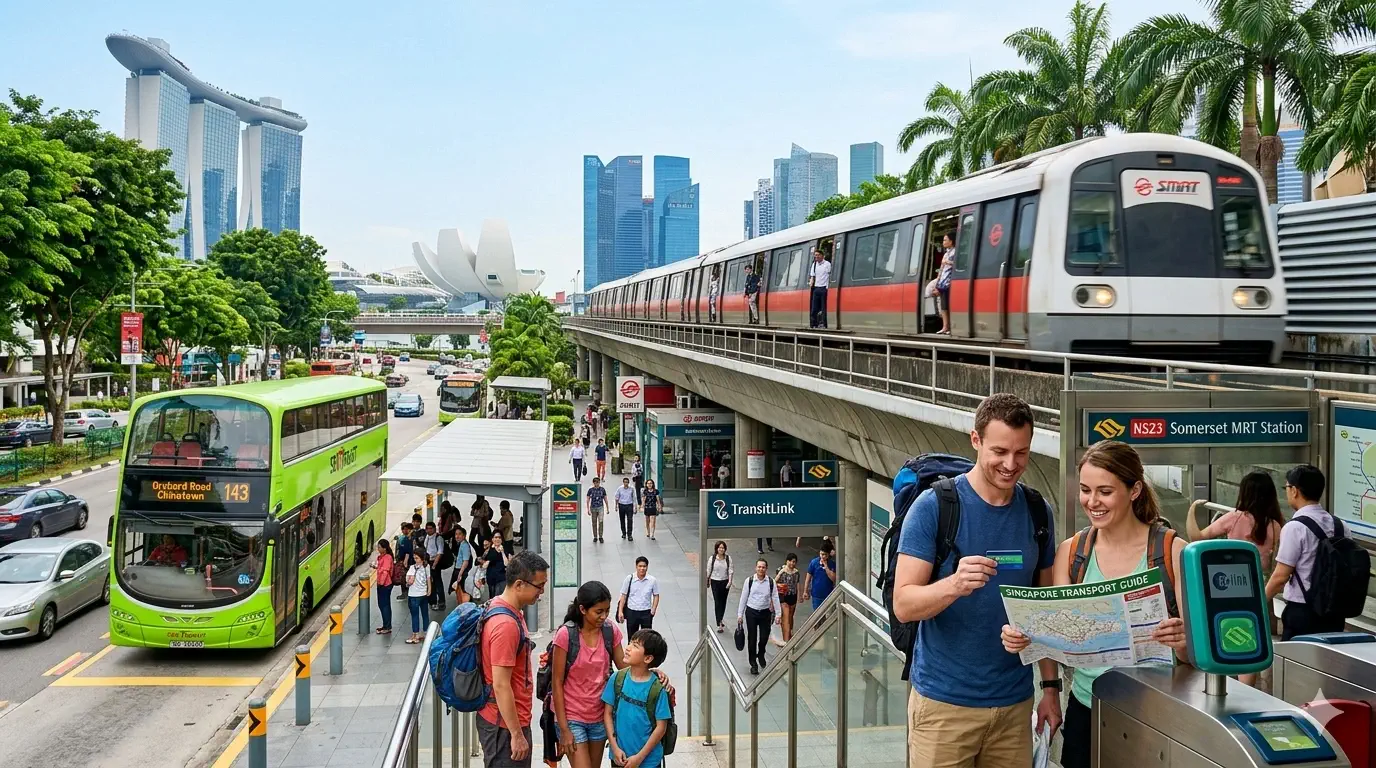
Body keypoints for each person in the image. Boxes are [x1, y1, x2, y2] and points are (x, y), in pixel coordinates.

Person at [892, 393, 1058, 767]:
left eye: (1021, 453)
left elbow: (1045, 606)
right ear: (976, 440)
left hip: (1015, 707)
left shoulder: (1037, 511)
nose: (1011, 464)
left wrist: (1051, 688)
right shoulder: (935, 507)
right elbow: (903, 605)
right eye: (999, 451)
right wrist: (954, 583)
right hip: (944, 708)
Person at [1000, 440, 1187, 768]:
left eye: (1105, 491)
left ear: (1134, 490)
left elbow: (1198, 655)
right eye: (1086, 490)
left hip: (1157, 714)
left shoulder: (1173, 552)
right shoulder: (1072, 553)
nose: (1092, 502)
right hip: (1087, 708)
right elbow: (1059, 636)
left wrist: (1183, 642)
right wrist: (1027, 637)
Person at [479, 551, 550, 767]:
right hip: (504, 726)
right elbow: (501, 685)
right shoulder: (506, 625)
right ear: (519, 584)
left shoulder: (500, 607)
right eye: (539, 585)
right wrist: (517, 735)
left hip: (502, 720)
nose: (542, 592)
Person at [1266, 464, 1346, 639]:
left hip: (1303, 611)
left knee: (1295, 662)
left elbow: (1281, 577)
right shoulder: (1341, 526)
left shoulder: (1295, 528)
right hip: (1335, 612)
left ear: (1294, 490)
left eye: (1286, 487)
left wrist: (1259, 602)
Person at [551, 582, 623, 768]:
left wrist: (652, 672)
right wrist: (564, 729)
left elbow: (625, 670)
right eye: (598, 611)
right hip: (572, 717)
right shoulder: (566, 635)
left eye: (607, 610)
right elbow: (557, 683)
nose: (604, 616)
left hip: (600, 717)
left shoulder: (610, 631)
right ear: (582, 609)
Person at [602, 629, 672, 768]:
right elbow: (608, 714)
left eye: (635, 646)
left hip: (649, 761)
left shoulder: (657, 689)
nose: (628, 648)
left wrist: (639, 758)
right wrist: (615, 748)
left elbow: (661, 728)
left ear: (648, 658)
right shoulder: (617, 679)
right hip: (619, 757)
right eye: (630, 643)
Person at [737, 558, 782, 675]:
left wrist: (778, 614)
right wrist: (740, 614)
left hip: (765, 612)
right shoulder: (750, 581)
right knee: (752, 639)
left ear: (766, 569)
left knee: (763, 638)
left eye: (763, 567)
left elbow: (775, 597)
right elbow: (743, 597)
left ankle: (761, 653)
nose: (761, 569)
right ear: (756, 568)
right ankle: (753, 663)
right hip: (751, 612)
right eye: (759, 567)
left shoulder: (771, 582)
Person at [617, 556, 660, 637]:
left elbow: (656, 595)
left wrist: (653, 609)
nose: (642, 568)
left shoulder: (652, 580)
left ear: (647, 567)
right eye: (640, 566)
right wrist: (620, 611)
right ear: (636, 567)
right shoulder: (629, 578)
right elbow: (623, 595)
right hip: (632, 612)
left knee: (647, 637)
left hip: (646, 612)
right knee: (632, 636)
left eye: (644, 566)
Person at [706, 541, 734, 633]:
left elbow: (730, 570)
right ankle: (719, 623)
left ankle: (720, 618)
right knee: (717, 602)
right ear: (716, 549)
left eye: (723, 548)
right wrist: (707, 580)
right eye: (719, 548)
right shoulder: (712, 558)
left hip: (725, 582)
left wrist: (730, 581)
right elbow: (708, 570)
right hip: (715, 582)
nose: (721, 549)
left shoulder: (728, 558)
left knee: (723, 602)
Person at [405, 550, 432, 644]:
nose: (415, 559)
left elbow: (407, 581)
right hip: (423, 594)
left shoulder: (412, 568)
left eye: (416, 558)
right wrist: (429, 590)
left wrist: (409, 581)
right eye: (414, 557)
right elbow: (428, 579)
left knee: (415, 615)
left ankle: (415, 635)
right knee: (425, 614)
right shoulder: (427, 566)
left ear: (421, 558)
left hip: (414, 595)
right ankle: (426, 633)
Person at [801, 541, 835, 611]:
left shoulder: (832, 564)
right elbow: (808, 578)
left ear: (828, 555)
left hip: (828, 594)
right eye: (821, 554)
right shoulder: (814, 562)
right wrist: (805, 590)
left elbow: (833, 579)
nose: (822, 556)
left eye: (824, 554)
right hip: (816, 594)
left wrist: (826, 567)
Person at [776, 554, 802, 642]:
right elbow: (774, 582)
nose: (792, 563)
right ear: (787, 561)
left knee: (791, 615)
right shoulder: (781, 571)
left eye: (794, 561)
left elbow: (797, 584)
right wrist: (780, 573)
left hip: (793, 596)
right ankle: (786, 638)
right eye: (790, 561)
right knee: (785, 616)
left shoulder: (796, 572)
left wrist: (799, 596)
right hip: (784, 596)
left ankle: (790, 631)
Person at [371, 539, 395, 635]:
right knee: (383, 605)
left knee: (384, 605)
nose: (378, 549)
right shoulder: (383, 557)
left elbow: (385, 571)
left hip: (385, 584)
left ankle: (387, 626)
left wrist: (380, 583)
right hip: (383, 584)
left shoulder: (387, 558)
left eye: (379, 547)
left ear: (384, 548)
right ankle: (385, 625)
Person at [934, 234, 956, 334]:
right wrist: (937, 281)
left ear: (951, 242)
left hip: (950, 282)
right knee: (943, 306)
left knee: (949, 305)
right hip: (943, 282)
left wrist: (948, 262)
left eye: (945, 240)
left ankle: (951, 327)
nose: (943, 242)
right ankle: (945, 327)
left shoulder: (955, 252)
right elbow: (941, 269)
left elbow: (957, 264)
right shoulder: (945, 254)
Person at [449, 525, 475, 604]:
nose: (457, 536)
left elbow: (465, 561)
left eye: (459, 534)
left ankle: (464, 608)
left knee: (463, 592)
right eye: (456, 534)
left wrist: (460, 574)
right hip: (459, 570)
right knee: (459, 591)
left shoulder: (464, 546)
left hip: (461, 571)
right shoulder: (461, 544)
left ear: (464, 535)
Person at [808, 248, 831, 329]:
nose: (816, 257)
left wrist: (828, 287)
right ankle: (814, 324)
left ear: (822, 256)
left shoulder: (827, 264)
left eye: (818, 255)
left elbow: (829, 275)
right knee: (814, 308)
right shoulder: (814, 264)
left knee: (824, 308)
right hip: (816, 288)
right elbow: (812, 276)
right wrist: (811, 283)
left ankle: (824, 324)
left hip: (824, 288)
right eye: (815, 256)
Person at [486, 531, 511, 599]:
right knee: (492, 597)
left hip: (501, 578)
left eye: (499, 537)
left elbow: (506, 564)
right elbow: (485, 562)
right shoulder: (489, 550)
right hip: (491, 577)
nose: (497, 539)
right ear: (492, 539)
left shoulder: (505, 549)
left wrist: (502, 552)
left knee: (499, 598)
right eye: (496, 537)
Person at [587, 477, 608, 543]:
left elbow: (605, 498)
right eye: (595, 482)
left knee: (601, 521)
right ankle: (595, 536)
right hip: (593, 508)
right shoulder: (590, 490)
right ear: (593, 483)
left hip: (600, 507)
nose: (597, 484)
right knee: (594, 522)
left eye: (598, 482)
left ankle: (600, 536)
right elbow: (588, 500)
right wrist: (588, 509)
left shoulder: (602, 490)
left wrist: (607, 508)